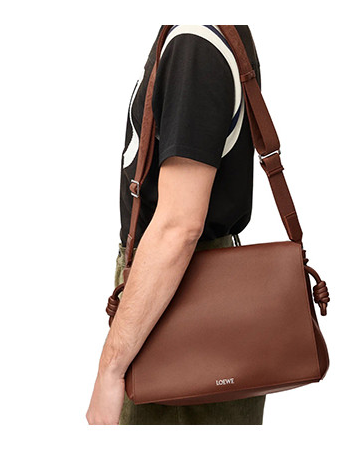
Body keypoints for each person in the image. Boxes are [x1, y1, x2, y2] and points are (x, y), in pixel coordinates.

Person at [86, 25, 266, 425]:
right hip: (194, 291)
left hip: (176, 295)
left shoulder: (194, 46)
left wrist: (110, 370)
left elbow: (178, 227)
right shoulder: (212, 31)